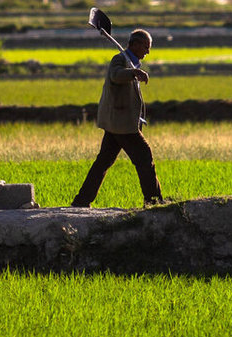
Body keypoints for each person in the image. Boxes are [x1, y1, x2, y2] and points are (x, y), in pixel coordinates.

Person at [70, 29, 163, 207]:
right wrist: (134, 73)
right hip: (121, 124)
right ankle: (153, 201)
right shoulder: (119, 60)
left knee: (103, 162)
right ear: (134, 44)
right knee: (144, 156)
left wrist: (134, 71)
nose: (148, 52)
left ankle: (81, 201)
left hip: (117, 123)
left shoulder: (130, 62)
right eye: (145, 47)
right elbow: (116, 75)